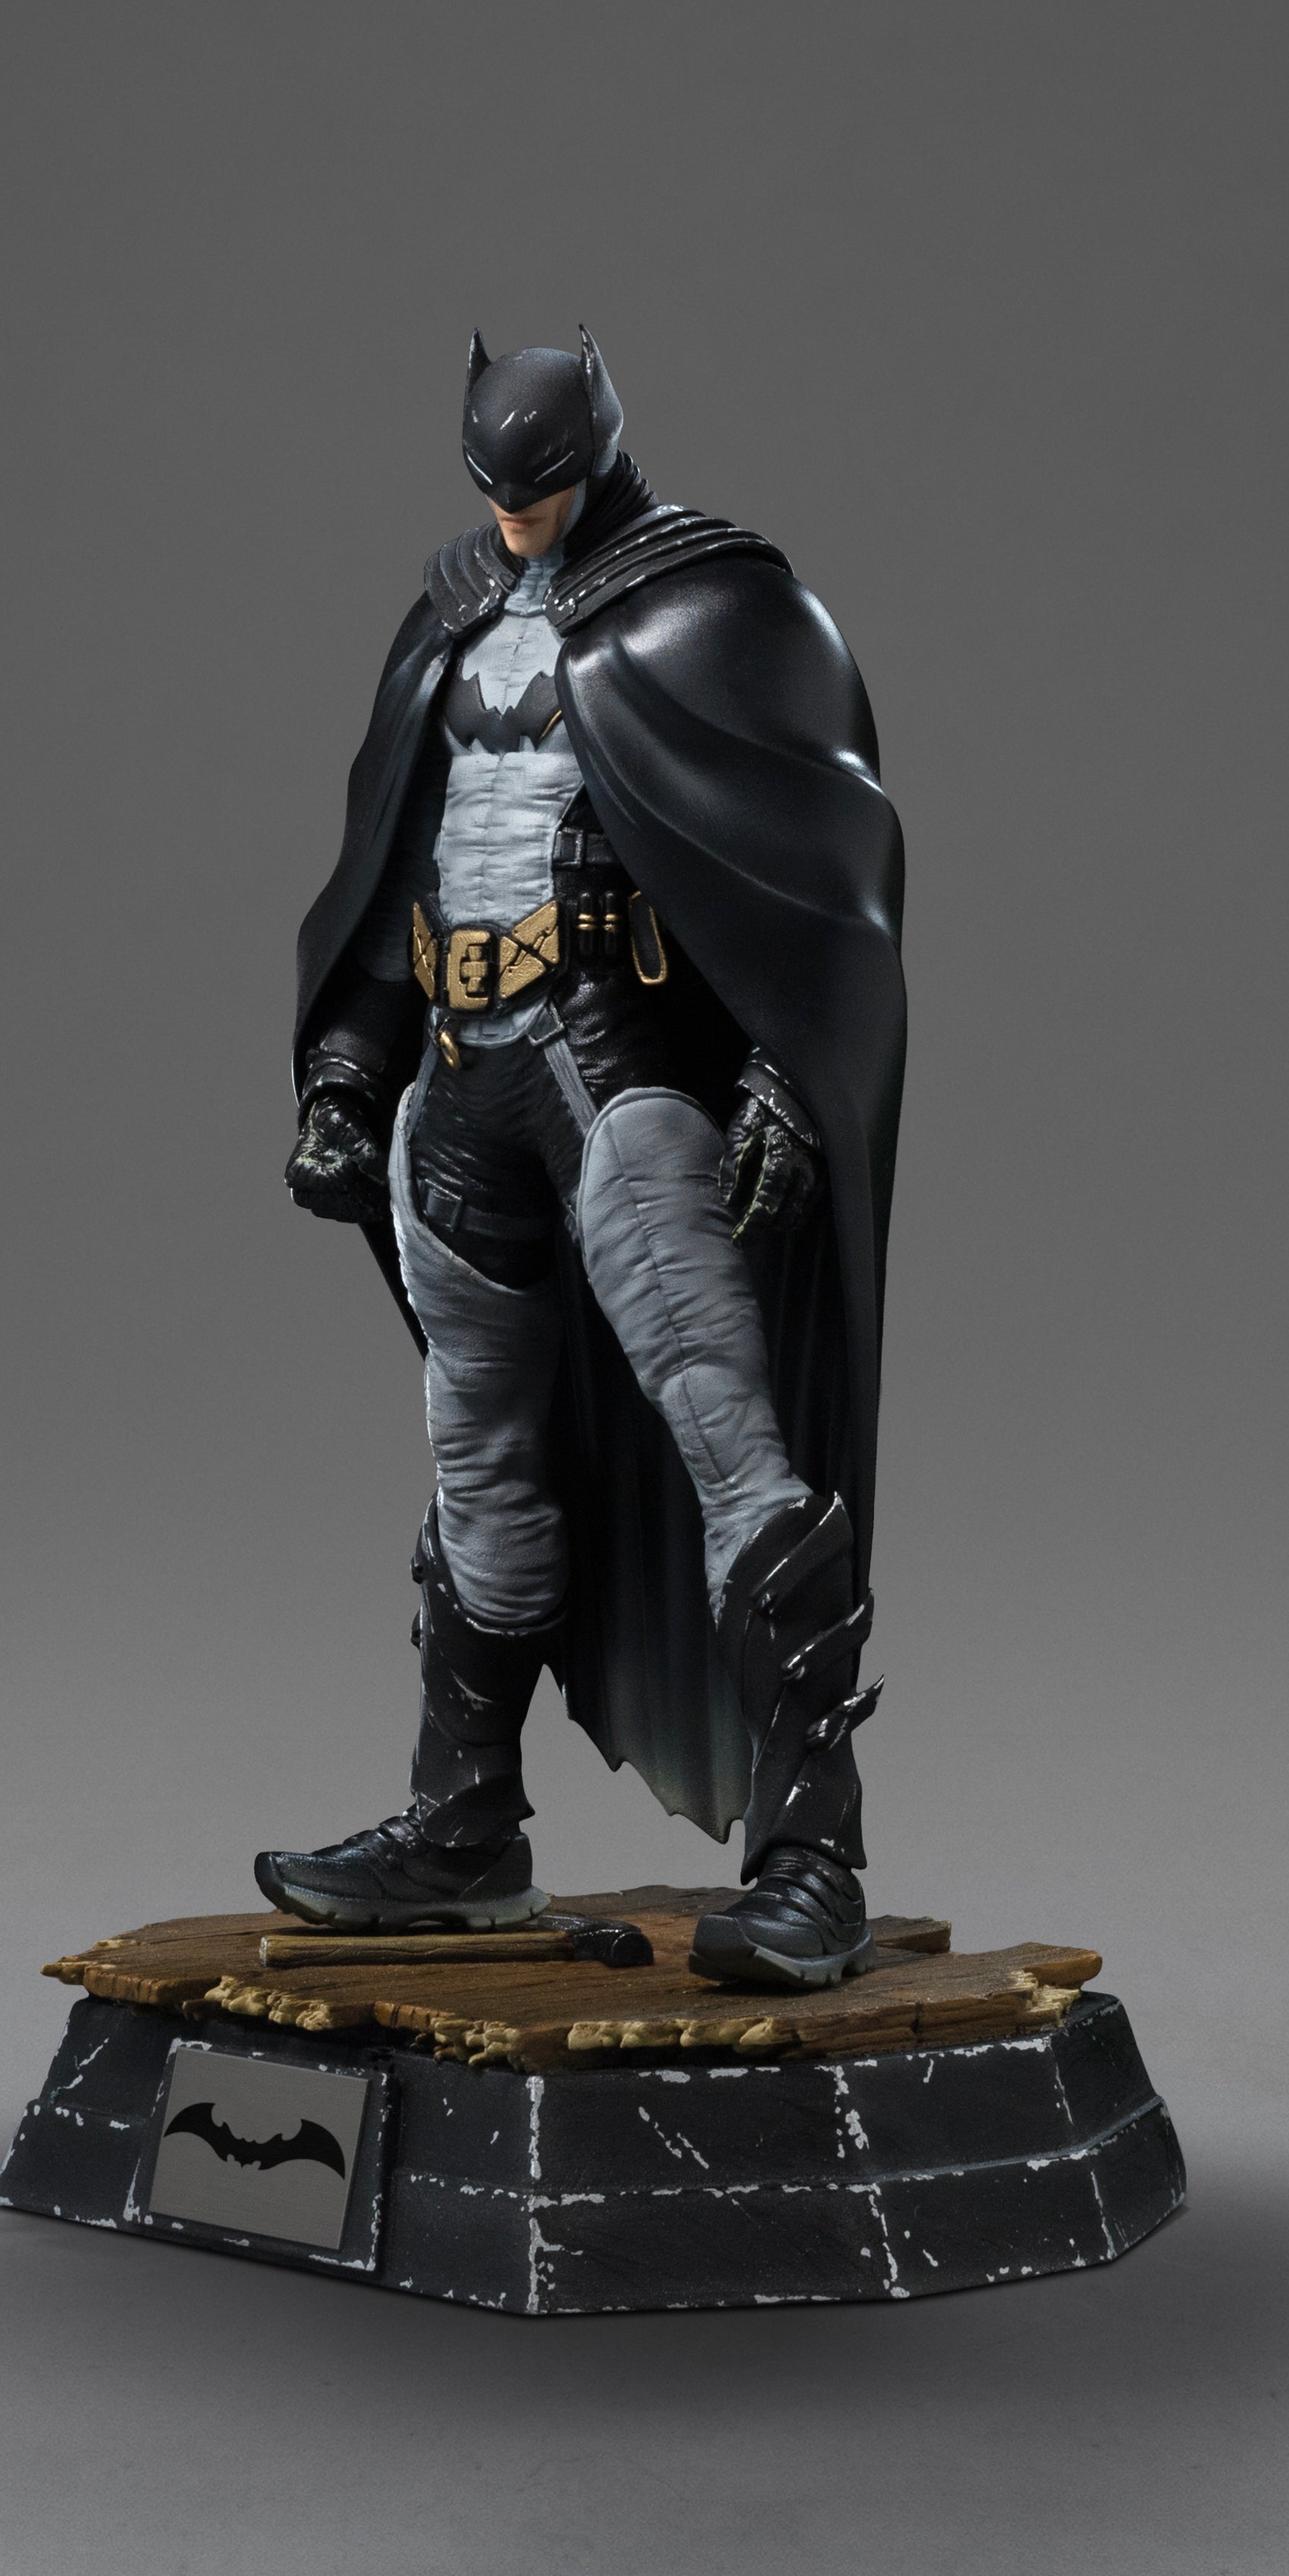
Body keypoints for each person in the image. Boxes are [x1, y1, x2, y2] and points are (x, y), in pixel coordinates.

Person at [267, 331, 908, 1989]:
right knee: (478, 1451)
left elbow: (818, 872)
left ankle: (812, 1856)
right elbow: (398, 867)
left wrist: (784, 1074)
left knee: (729, 1439)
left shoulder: (712, 608)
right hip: (461, 1082)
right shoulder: (448, 615)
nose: (518, 515)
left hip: (613, 1075)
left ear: (599, 454)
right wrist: (350, 1068)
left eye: (540, 487)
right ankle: (464, 1825)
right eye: (498, 488)